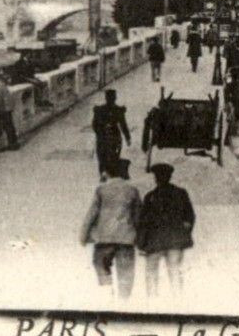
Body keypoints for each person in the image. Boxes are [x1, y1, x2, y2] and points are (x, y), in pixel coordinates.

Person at [81, 158, 141, 299]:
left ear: (107, 172)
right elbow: (138, 216)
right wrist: (142, 238)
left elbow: (91, 214)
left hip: (104, 239)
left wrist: (83, 235)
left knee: (100, 264)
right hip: (126, 240)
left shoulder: (101, 190)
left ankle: (107, 292)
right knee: (126, 274)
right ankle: (124, 301)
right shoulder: (132, 191)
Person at [137, 163, 195, 295]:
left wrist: (141, 242)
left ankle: (152, 302)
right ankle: (177, 301)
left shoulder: (150, 197)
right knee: (174, 271)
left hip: (154, 242)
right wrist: (184, 233)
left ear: (156, 178)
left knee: (151, 272)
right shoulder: (180, 193)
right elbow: (189, 217)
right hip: (175, 241)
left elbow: (143, 221)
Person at [92, 91, 132, 176]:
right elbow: (123, 125)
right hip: (114, 137)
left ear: (106, 98)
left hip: (104, 138)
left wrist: (100, 133)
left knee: (102, 157)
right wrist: (128, 138)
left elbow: (94, 125)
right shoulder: (118, 110)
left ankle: (103, 173)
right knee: (114, 156)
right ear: (115, 99)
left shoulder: (99, 110)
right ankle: (111, 173)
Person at [0, 76, 20, 151]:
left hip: (4, 107)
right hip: (8, 106)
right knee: (10, 125)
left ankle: (12, 144)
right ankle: (14, 142)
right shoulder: (1, 83)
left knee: (7, 126)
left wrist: (0, 109)